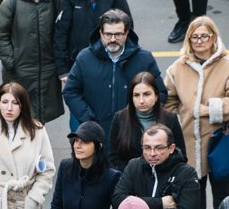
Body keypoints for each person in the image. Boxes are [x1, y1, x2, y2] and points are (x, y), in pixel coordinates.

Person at [63, 10, 164, 143]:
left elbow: (160, 93)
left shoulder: (144, 59)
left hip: (132, 137)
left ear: (127, 33)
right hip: (95, 135)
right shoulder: (84, 58)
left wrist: (139, 118)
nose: (112, 39)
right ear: (100, 33)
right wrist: (89, 118)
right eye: (108, 34)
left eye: (117, 34)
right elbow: (70, 92)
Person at [0, 0, 60, 124]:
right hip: (20, 71)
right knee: (18, 117)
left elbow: (61, 31)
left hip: (47, 70)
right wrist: (11, 60)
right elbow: (1, 35)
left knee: (40, 120)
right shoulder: (11, 3)